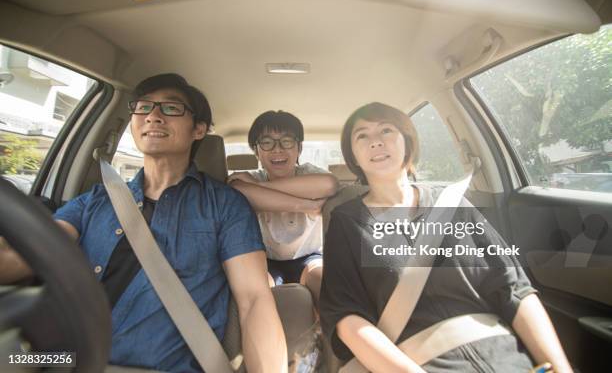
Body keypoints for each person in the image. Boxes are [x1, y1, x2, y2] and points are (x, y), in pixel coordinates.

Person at [0, 74, 287, 373]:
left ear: (199, 129)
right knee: (8, 358)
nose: (153, 116)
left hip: (157, 369)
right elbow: (30, 254)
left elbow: (254, 300)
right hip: (60, 361)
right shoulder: (94, 201)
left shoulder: (226, 206)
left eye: (171, 108)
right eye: (144, 107)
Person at [319, 102, 572, 373]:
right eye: (362, 136)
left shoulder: (451, 203)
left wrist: (560, 367)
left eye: (386, 130)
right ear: (353, 157)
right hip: (416, 363)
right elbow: (347, 317)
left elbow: (515, 289)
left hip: (506, 356)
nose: (376, 142)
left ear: (407, 141)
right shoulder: (347, 222)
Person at [227, 110, 338, 306]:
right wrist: (308, 206)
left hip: (309, 257)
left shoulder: (308, 174)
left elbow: (329, 184)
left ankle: (330, 333)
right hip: (264, 260)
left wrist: (258, 189)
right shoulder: (247, 179)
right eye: (267, 142)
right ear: (256, 151)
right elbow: (238, 191)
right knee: (260, 293)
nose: (277, 149)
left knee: (325, 285)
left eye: (286, 141)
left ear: (299, 148)